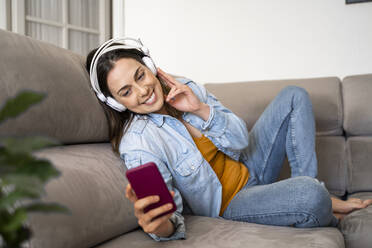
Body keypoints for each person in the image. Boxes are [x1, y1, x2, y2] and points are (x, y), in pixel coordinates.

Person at [85, 37, 372, 241]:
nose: (143, 90)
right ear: (117, 104)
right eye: (126, 91)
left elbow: (239, 140)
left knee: (294, 96)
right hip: (232, 202)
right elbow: (169, 217)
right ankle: (315, 198)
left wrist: (198, 107)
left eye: (140, 75)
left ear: (150, 66)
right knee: (309, 196)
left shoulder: (184, 87)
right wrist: (161, 226)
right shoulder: (137, 145)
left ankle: (309, 188)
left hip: (249, 166)